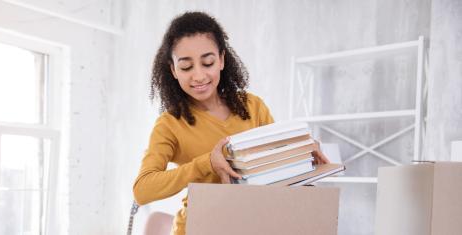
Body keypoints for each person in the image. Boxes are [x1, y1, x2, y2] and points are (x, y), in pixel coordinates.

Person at [132, 11, 329, 235]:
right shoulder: (169, 124)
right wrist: (206, 163)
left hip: (252, 225)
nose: (198, 76)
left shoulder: (253, 107)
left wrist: (301, 155)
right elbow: (142, 190)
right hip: (198, 228)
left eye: (208, 62)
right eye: (186, 67)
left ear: (222, 60)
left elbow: (278, 172)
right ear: (173, 70)